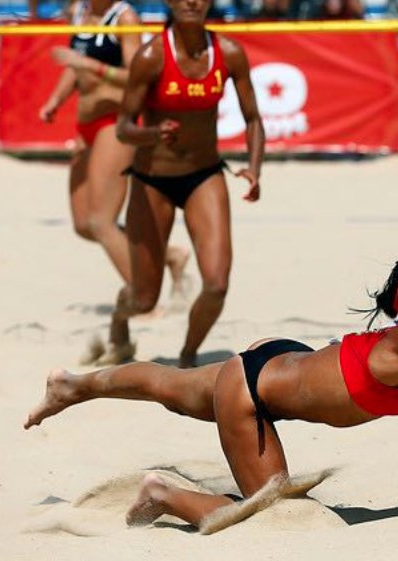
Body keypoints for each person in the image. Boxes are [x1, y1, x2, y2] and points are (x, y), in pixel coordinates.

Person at [25, 237, 398, 531]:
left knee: (170, 387)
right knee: (265, 511)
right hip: (252, 394)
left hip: (283, 360)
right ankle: (162, 493)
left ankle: (76, 384)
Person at [108, 0, 265, 367]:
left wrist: (255, 168)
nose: (191, 1)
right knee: (145, 299)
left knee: (216, 284)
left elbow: (253, 118)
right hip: (152, 179)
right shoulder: (151, 56)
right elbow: (123, 128)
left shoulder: (228, 52)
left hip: (204, 173)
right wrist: (152, 134)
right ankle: (119, 318)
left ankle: (188, 355)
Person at [39, 0, 190, 364]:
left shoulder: (125, 17)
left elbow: (136, 77)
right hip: (86, 124)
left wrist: (88, 65)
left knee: (101, 221)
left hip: (116, 123)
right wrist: (56, 100)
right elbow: (74, 68)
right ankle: (168, 256)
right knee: (82, 224)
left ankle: (144, 299)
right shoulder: (80, 11)